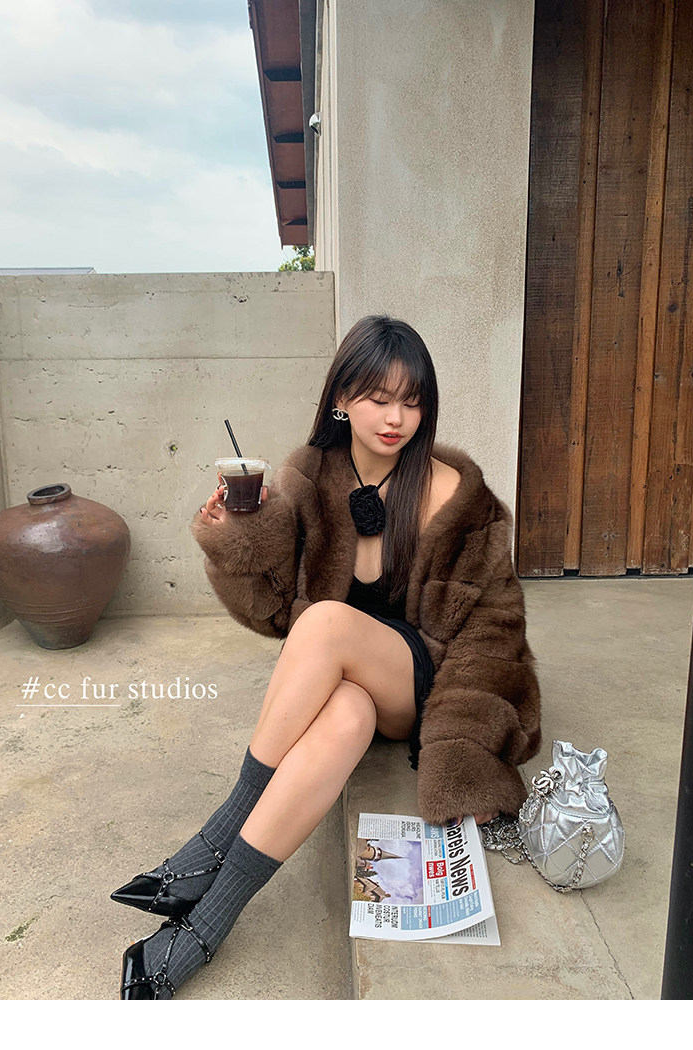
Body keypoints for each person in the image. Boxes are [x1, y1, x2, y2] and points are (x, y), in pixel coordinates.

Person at [112, 315, 541, 999]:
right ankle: (205, 927)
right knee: (343, 714)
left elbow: (493, 633)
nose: (396, 418)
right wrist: (243, 537)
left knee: (330, 623)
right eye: (379, 398)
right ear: (342, 398)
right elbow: (279, 613)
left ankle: (211, 844)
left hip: (424, 685)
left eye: (412, 401)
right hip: (355, 684)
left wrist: (469, 755)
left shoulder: (461, 499)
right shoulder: (310, 476)